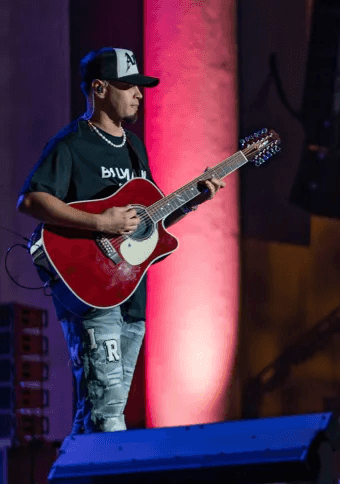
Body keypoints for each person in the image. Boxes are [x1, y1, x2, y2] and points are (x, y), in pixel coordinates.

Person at [17, 48, 225, 434]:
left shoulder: (134, 147)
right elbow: (31, 200)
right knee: (107, 413)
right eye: (128, 86)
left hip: (131, 293)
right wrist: (101, 221)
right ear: (98, 89)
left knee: (98, 411)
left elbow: (149, 220)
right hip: (92, 290)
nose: (139, 95)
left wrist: (192, 201)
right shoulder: (72, 144)